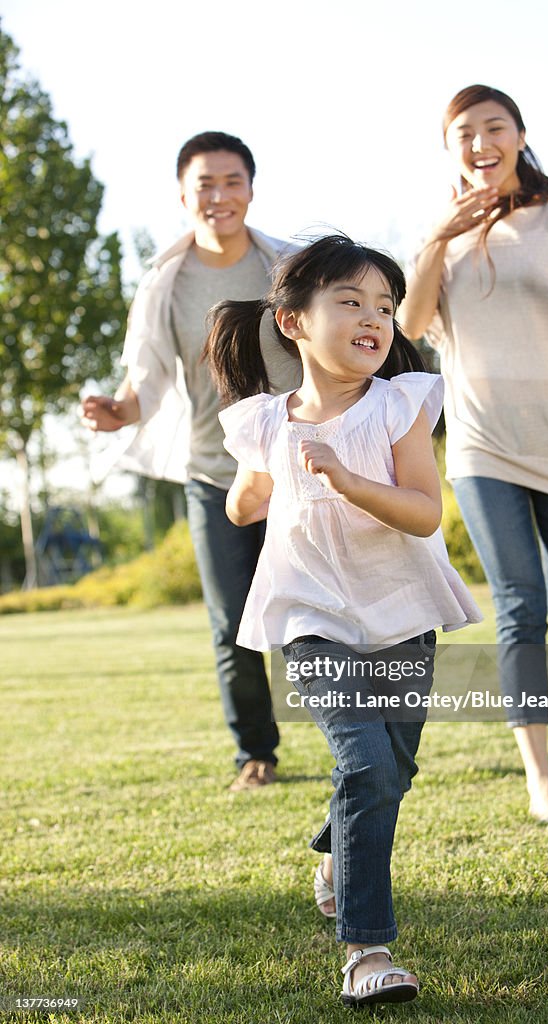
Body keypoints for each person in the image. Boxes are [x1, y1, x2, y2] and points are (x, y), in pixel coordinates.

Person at [203, 234, 482, 1007]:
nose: (374, 318)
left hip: (400, 613)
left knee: (392, 770)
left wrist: (349, 480)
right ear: (293, 323)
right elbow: (244, 498)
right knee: (365, 765)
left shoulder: (399, 403)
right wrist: (248, 498)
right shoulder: (265, 420)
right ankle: (366, 949)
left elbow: (424, 514)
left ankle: (334, 856)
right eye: (351, 301)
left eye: (385, 307)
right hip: (310, 614)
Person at [400, 84, 548, 823]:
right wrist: (436, 239)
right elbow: (409, 323)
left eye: (492, 127)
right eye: (462, 133)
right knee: (517, 604)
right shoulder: (440, 235)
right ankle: (540, 774)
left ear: (519, 134)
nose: (478, 143)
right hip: (481, 442)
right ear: (450, 150)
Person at [81, 132, 302, 791]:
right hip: (213, 473)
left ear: (251, 189)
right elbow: (144, 381)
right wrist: (115, 412)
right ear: (183, 196)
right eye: (204, 184)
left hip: (297, 466)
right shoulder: (164, 283)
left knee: (315, 612)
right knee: (233, 626)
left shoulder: (290, 267)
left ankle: (358, 734)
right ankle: (255, 754)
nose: (218, 195)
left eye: (231, 181)